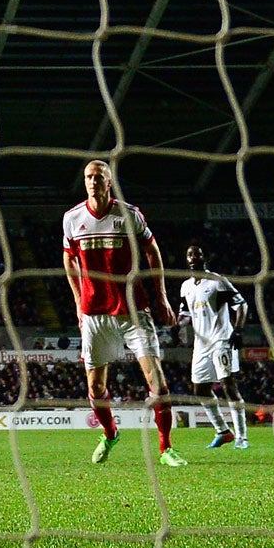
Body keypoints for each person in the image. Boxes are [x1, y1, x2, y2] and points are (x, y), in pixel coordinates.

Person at [63, 159, 183, 467]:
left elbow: (152, 251)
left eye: (98, 177)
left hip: (132, 309)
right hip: (94, 313)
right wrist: (78, 299)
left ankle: (165, 448)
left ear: (109, 182)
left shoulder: (129, 215)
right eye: (88, 177)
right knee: (95, 387)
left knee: (158, 381)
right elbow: (69, 259)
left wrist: (162, 297)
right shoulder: (72, 218)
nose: (92, 181)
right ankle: (110, 432)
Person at [178, 243, 249, 451]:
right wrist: (177, 325)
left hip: (221, 340)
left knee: (228, 385)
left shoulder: (216, 282)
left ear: (204, 257)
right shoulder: (186, 287)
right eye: (189, 255)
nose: (192, 258)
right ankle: (223, 431)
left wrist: (238, 330)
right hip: (201, 345)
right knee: (200, 389)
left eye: (196, 254)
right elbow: (185, 314)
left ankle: (242, 438)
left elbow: (241, 305)